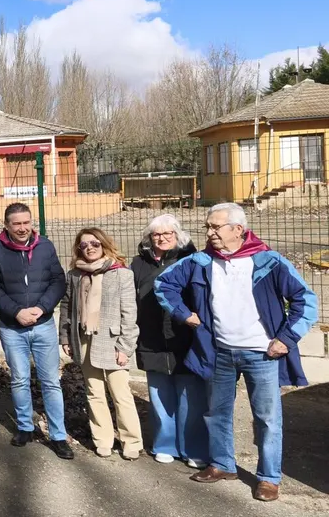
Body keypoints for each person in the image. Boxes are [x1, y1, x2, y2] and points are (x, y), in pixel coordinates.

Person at [155, 203, 317, 501]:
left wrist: (287, 338)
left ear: (238, 229)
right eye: (208, 226)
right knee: (216, 413)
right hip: (219, 352)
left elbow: (305, 301)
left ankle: (268, 478)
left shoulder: (269, 261)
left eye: (216, 227)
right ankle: (222, 465)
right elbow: (164, 284)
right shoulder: (201, 261)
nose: (209, 232)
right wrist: (183, 314)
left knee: (267, 418)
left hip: (264, 354)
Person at [0, 202, 74, 460]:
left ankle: (57, 435)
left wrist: (41, 308)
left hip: (43, 324)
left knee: (51, 382)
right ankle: (25, 426)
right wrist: (16, 312)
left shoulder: (45, 246)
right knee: (20, 379)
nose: (22, 228)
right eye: (16, 224)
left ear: (32, 222)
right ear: (6, 226)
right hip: (12, 327)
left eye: (26, 222)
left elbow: (58, 281)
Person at [130, 214, 208, 468]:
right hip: (151, 338)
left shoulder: (192, 260)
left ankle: (192, 448)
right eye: (156, 234)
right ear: (149, 237)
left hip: (185, 337)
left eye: (168, 234)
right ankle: (165, 445)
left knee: (191, 398)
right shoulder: (139, 264)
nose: (162, 238)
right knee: (160, 396)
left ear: (178, 235)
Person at [60, 227, 144, 460]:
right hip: (84, 339)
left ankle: (131, 441)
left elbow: (129, 313)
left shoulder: (122, 274)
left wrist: (125, 347)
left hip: (113, 340)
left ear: (104, 245)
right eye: (84, 245)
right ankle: (103, 439)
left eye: (95, 244)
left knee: (120, 393)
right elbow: (67, 307)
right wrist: (65, 337)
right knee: (94, 392)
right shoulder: (74, 275)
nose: (89, 248)